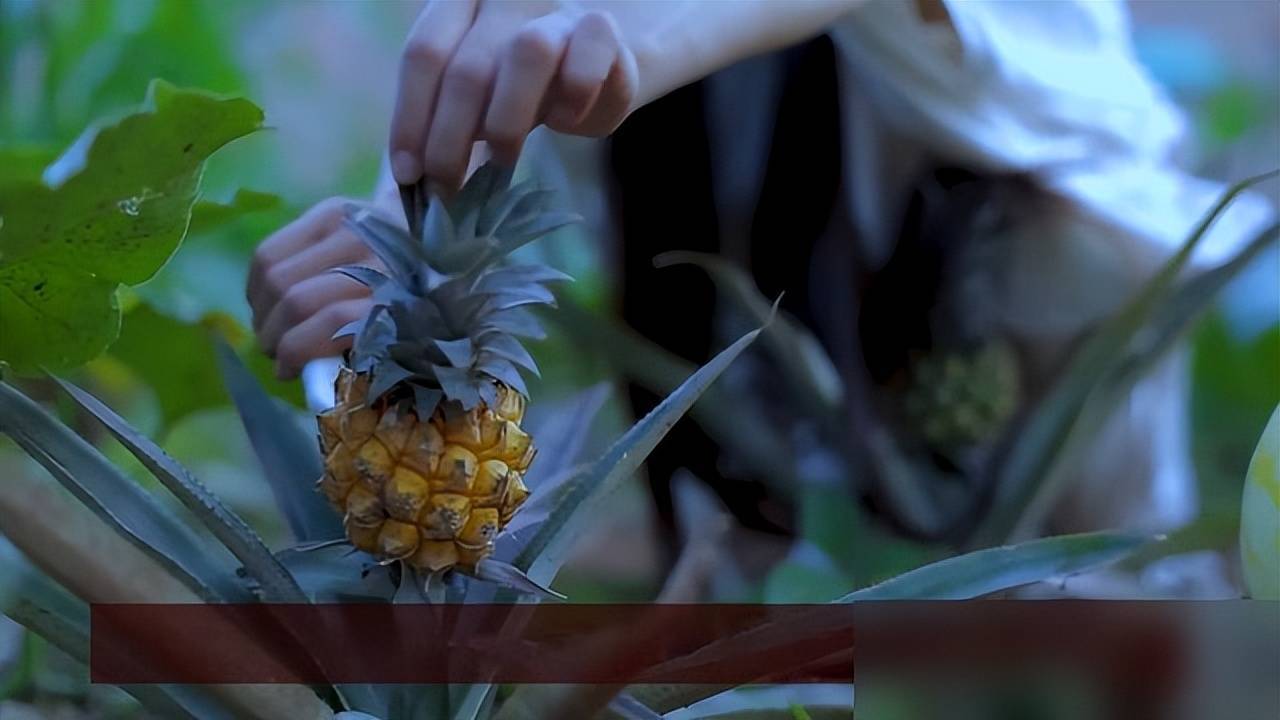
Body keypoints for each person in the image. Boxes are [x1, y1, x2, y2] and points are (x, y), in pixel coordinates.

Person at [247, 1, 1272, 553]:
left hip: (1089, 606)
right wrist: (378, 251)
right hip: (780, 607)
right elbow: (462, 146)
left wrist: (629, 35)